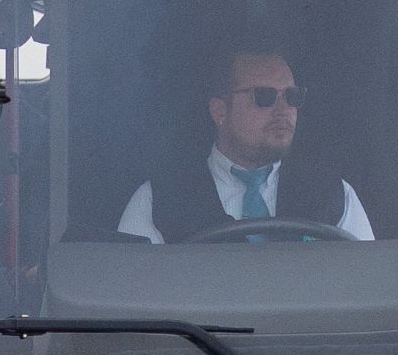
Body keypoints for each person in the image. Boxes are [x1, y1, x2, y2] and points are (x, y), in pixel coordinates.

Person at [113, 44, 372, 244]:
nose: (284, 110)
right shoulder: (156, 200)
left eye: (292, 96)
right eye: (265, 96)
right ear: (219, 111)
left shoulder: (335, 195)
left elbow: (366, 289)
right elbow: (130, 296)